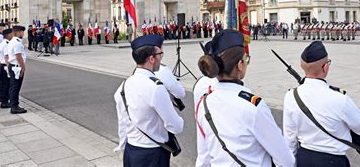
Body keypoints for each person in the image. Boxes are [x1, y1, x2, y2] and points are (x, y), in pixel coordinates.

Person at [195, 30, 295, 167]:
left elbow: (204, 158)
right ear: (240, 65)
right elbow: (285, 161)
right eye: (246, 59)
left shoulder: (203, 104)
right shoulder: (253, 106)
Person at [283, 41, 360, 166]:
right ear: (325, 67)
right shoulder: (340, 99)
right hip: (332, 161)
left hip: (304, 158)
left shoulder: (291, 96)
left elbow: (289, 137)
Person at [114, 34, 184, 167]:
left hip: (131, 150)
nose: (161, 58)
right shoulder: (155, 88)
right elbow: (176, 126)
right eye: (160, 54)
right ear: (151, 59)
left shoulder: (123, 86)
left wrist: (122, 145)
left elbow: (122, 122)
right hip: (152, 153)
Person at [7, 25, 28, 114]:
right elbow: (18, 56)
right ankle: (14, 106)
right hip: (16, 66)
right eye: (21, 32)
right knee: (15, 86)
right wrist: (23, 67)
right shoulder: (17, 43)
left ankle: (14, 104)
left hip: (13, 65)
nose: (23, 33)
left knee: (14, 86)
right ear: (16, 32)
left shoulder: (12, 41)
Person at [0, 28, 13, 109]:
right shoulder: (6, 44)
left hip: (3, 65)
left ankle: (5, 101)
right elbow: (7, 57)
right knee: (7, 85)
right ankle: (5, 102)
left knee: (4, 84)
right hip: (6, 66)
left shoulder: (3, 43)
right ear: (9, 35)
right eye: (12, 33)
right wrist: (9, 68)